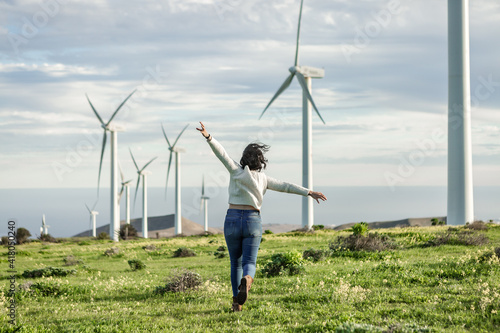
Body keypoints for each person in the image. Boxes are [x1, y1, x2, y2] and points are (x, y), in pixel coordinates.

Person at [196, 122, 327, 312]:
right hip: (252, 220)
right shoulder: (264, 179)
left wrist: (209, 137)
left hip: (232, 218)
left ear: (244, 159)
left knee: (235, 263)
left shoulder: (235, 171)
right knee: (249, 262)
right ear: (261, 161)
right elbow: (286, 186)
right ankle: (248, 280)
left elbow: (222, 154)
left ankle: (236, 303)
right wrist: (308, 192)